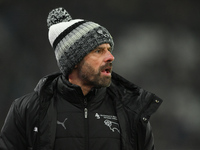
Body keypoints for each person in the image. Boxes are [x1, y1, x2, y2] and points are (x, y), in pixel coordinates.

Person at [0, 7, 163, 150]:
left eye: (109, 49)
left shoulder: (132, 112)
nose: (111, 57)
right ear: (74, 60)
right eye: (99, 51)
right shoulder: (28, 110)